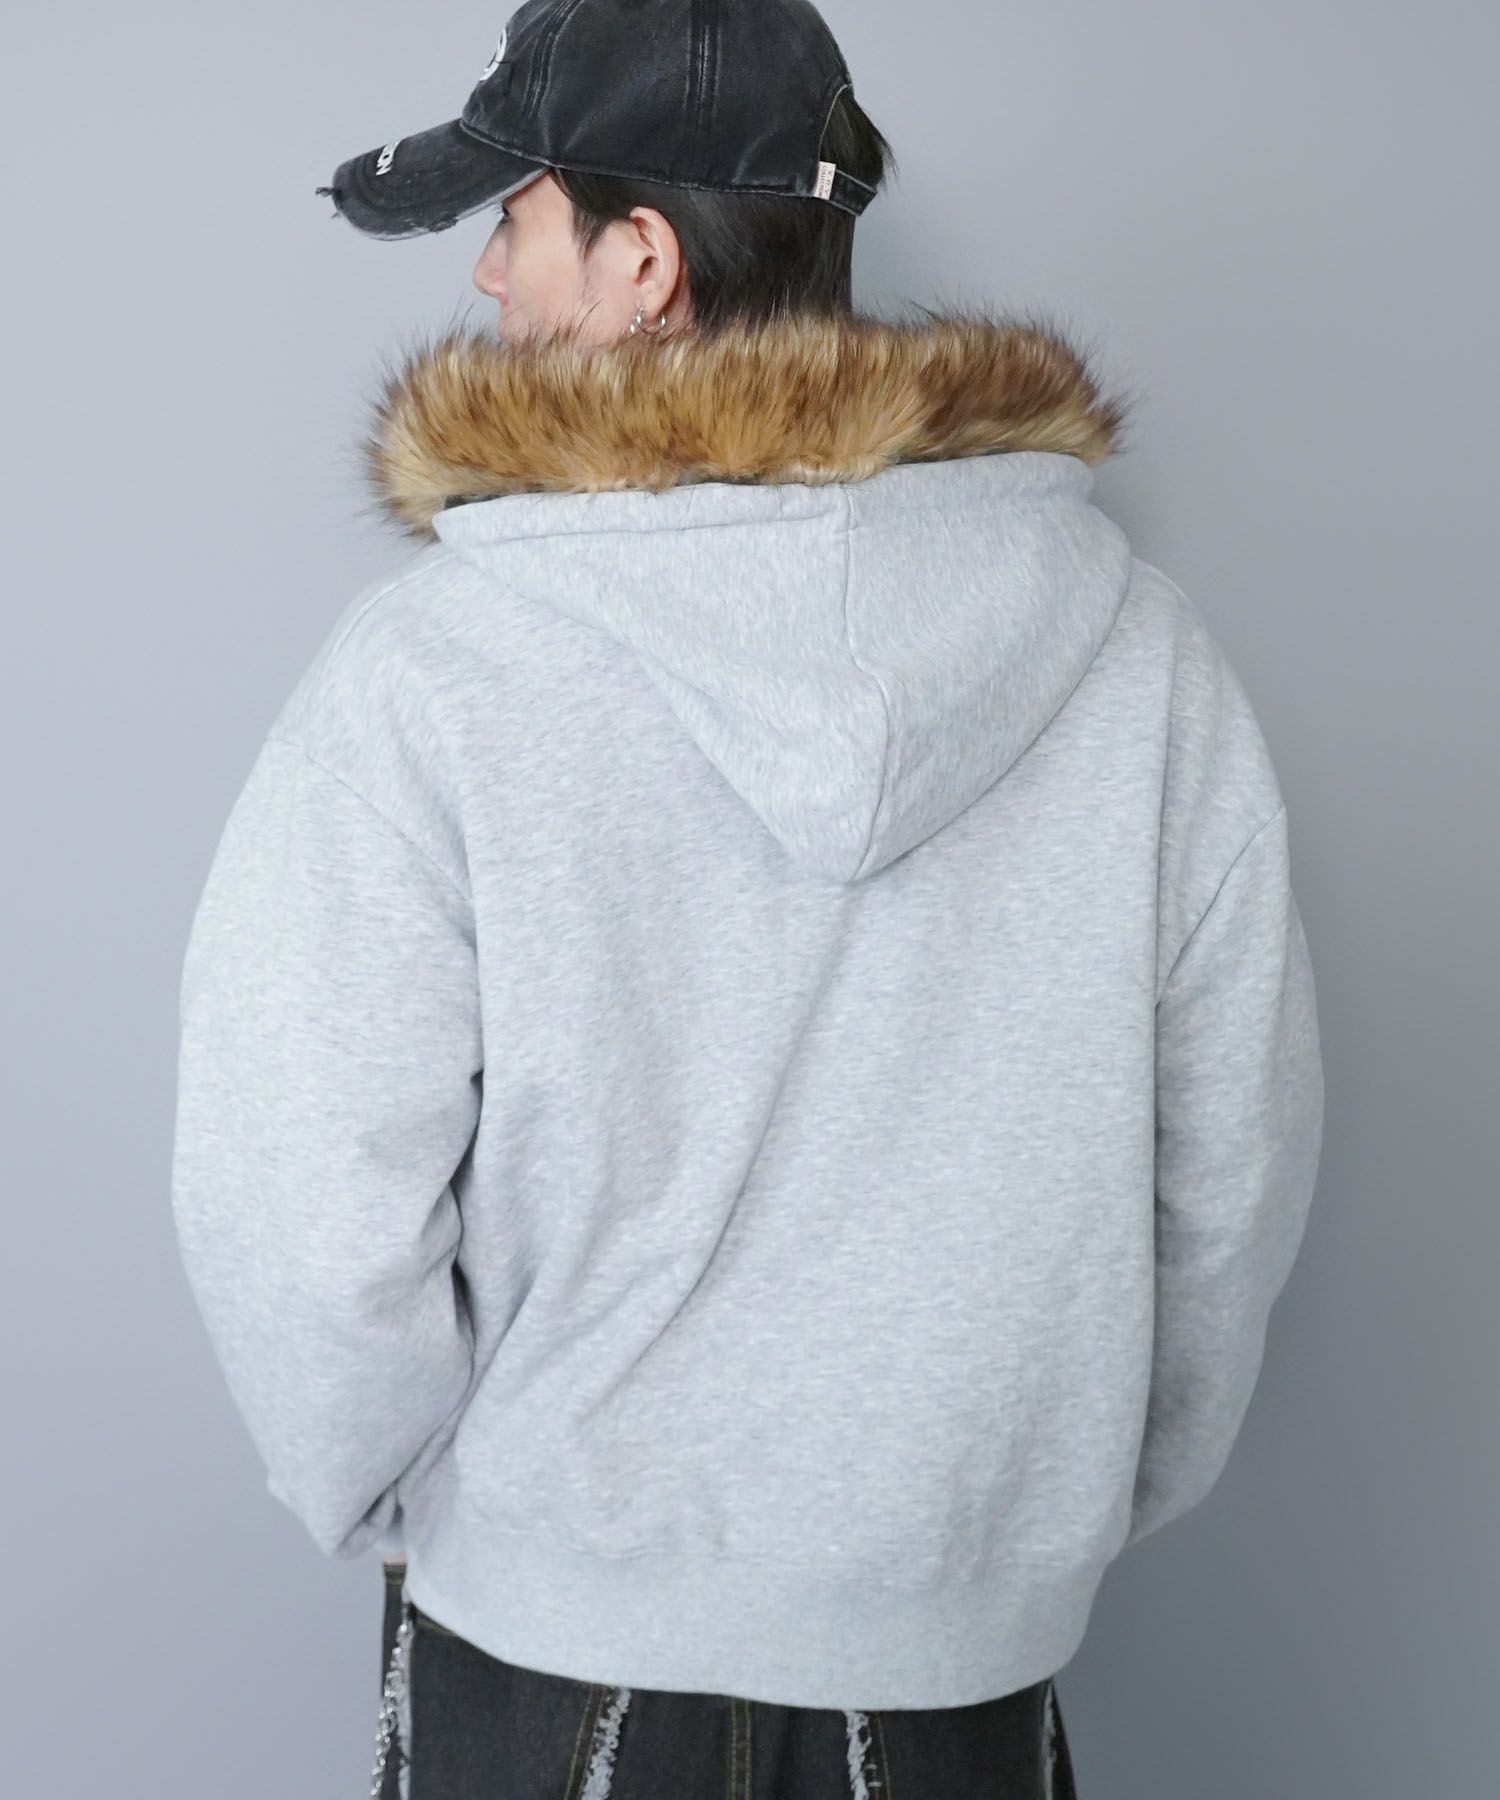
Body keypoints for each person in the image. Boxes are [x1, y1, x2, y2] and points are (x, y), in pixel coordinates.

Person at [168, 2, 1326, 1796]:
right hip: (962, 1674)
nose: (485, 276)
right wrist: (1033, 1528)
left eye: (513, 220)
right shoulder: (1139, 659)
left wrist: (421, 1507)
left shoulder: (440, 666)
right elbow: (1234, 1167)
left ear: (640, 263)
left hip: (553, 1665)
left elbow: (296, 1180)